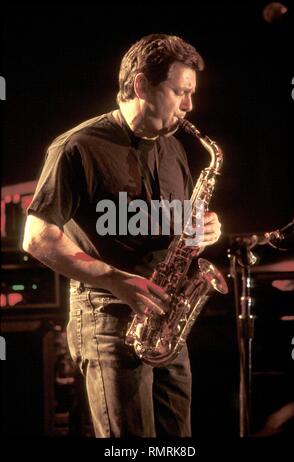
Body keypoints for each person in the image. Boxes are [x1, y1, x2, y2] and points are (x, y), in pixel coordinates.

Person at [23, 34, 222, 438]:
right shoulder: (77, 146)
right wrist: (117, 280)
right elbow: (38, 237)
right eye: (180, 92)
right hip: (106, 313)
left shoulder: (174, 149)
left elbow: (179, 227)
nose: (189, 106)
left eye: (191, 93)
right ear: (141, 86)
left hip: (165, 318)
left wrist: (207, 230)